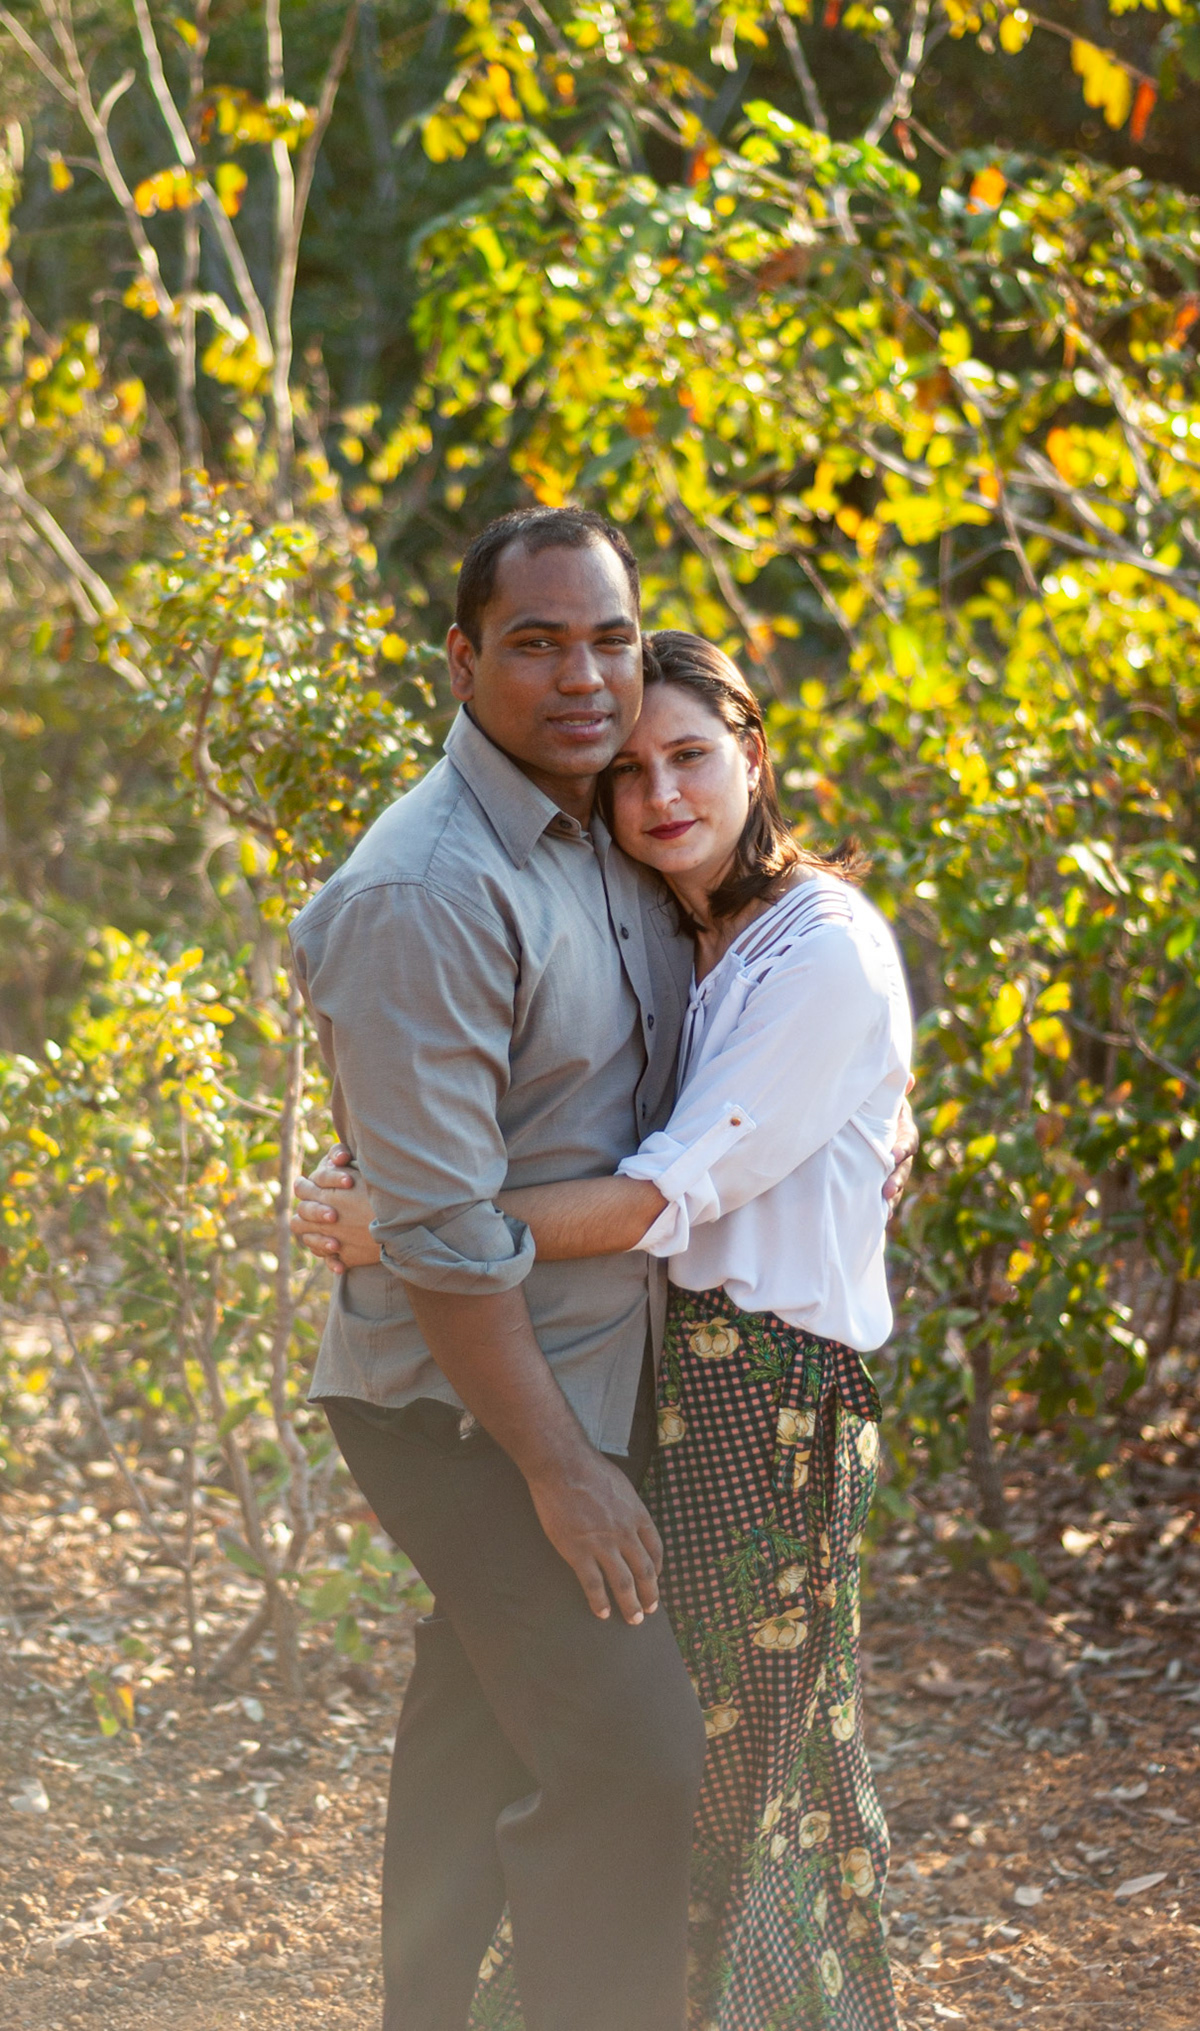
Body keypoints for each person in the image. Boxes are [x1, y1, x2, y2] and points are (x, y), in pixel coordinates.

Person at [295, 624, 913, 2031]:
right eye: (631, 771)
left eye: (691, 756)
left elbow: (661, 1191)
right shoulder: (662, 919)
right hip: (643, 1376)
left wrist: (411, 1223)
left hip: (765, 1399)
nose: (661, 794)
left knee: (745, 1768)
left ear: (754, 753)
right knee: (540, 1723)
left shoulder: (823, 947)